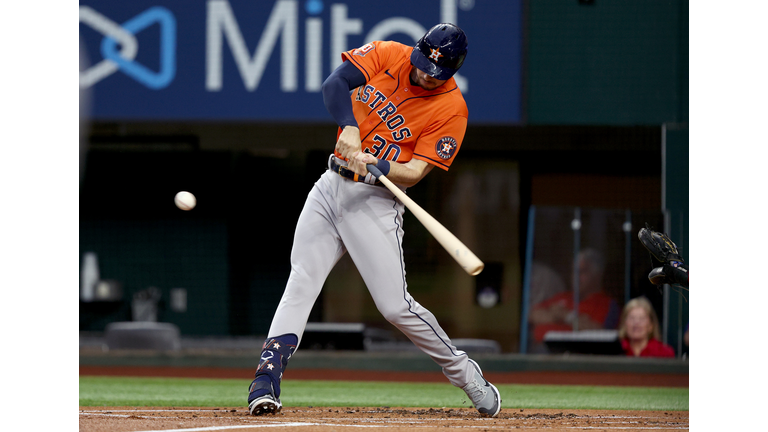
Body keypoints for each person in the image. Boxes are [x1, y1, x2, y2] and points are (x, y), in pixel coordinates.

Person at [246, 24, 501, 418]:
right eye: (421, 65)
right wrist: (350, 124)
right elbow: (336, 82)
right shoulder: (389, 54)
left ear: (451, 69)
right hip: (330, 184)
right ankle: (267, 375)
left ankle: (465, 373)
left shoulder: (452, 109)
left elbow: (415, 172)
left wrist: (378, 165)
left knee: (395, 307)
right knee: (302, 279)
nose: (422, 74)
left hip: (376, 200)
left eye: (434, 73)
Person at [528, 249, 620, 347]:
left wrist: (567, 316)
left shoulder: (607, 304)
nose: (576, 276)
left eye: (582, 272)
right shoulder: (563, 297)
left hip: (578, 354)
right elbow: (532, 314)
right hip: (539, 351)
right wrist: (574, 320)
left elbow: (601, 334)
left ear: (597, 275)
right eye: (574, 271)